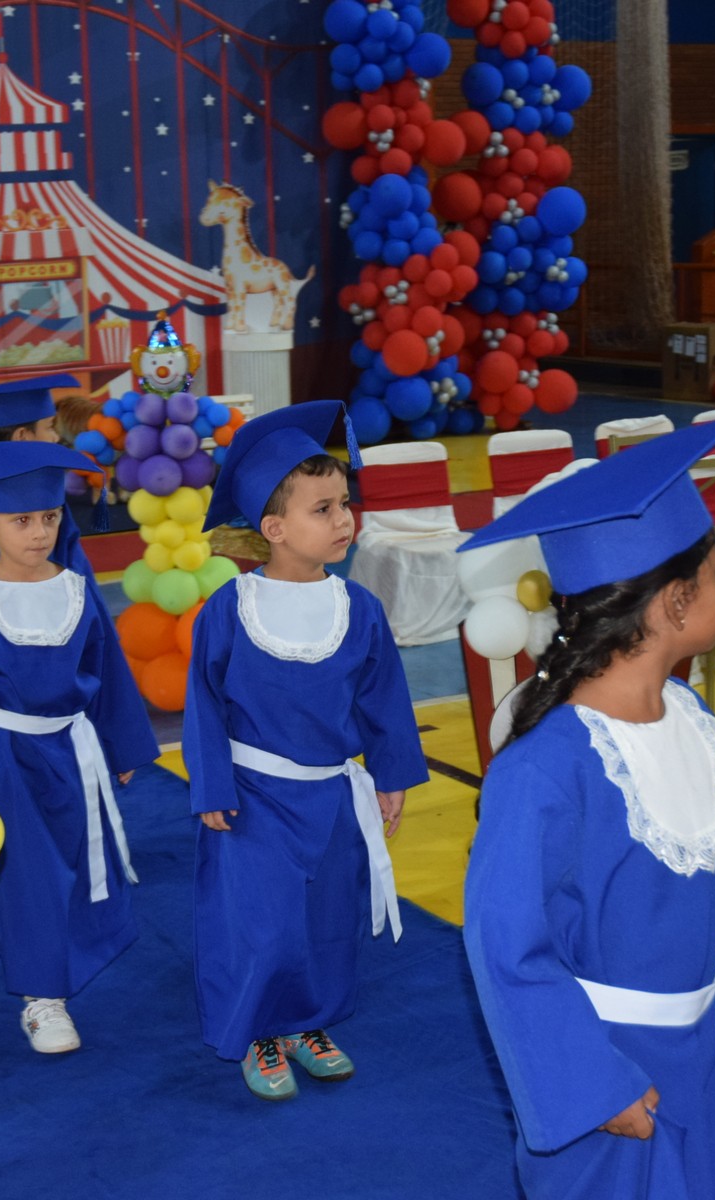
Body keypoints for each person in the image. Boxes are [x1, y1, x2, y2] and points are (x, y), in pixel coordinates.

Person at [461, 416, 715, 1200]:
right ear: (676, 603)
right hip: (614, 1080)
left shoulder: (692, 722)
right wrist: (590, 1086)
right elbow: (507, 946)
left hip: (702, 1054)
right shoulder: (542, 768)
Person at [183, 401, 427, 1102]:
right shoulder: (230, 610)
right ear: (274, 529)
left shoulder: (359, 610)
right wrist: (212, 787)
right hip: (254, 797)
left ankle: (307, 1022)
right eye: (323, 509)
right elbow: (204, 704)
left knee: (325, 919)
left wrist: (389, 776)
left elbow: (382, 699)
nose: (344, 520)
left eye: (345, 504)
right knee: (262, 922)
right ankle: (259, 1030)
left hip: (330, 796)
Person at [0, 441, 157, 1055]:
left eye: (49, 517)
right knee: (26, 875)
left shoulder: (78, 590)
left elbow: (106, 669)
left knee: (77, 861)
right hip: (3, 758)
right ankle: (41, 998)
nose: (38, 533)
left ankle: (68, 962)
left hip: (73, 753)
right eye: (21, 520)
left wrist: (122, 747)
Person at [0, 375, 102, 609]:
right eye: (50, 427)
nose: (56, 437)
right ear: (23, 437)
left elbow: (76, 569)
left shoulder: (48, 494)